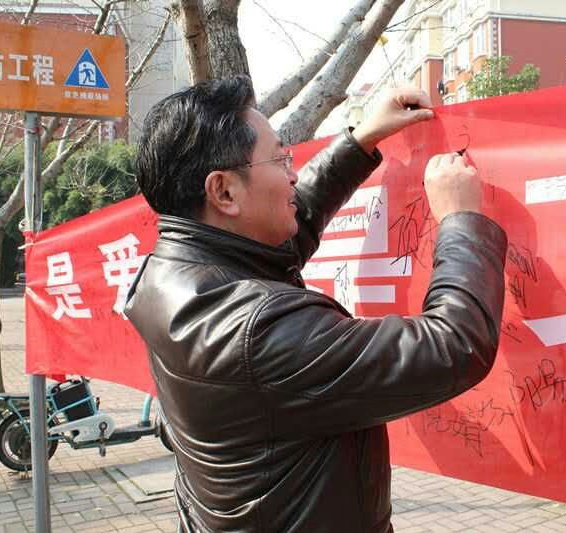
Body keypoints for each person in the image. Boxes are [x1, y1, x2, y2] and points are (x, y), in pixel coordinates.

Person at [126, 75, 507, 532]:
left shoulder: (171, 273)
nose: (292, 174)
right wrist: (460, 219)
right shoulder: (255, 328)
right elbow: (454, 346)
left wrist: (361, 139)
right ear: (224, 191)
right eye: (279, 159)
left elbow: (287, 227)